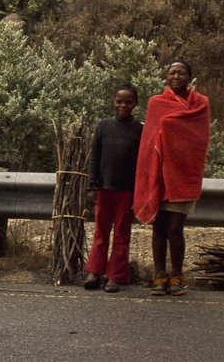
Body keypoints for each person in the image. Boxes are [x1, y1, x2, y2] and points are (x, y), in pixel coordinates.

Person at [134, 61, 211, 296]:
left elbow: (200, 139)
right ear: (166, 77)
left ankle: (177, 275)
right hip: (159, 174)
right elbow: (149, 141)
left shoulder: (201, 103)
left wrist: (172, 128)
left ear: (190, 77)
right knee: (159, 225)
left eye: (182, 73)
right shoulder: (156, 103)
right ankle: (159, 275)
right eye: (172, 73)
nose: (176, 76)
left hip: (183, 174)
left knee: (176, 228)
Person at [83, 84, 144, 293]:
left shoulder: (140, 130)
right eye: (119, 101)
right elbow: (94, 158)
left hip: (127, 191)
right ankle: (95, 272)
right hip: (104, 188)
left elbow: (142, 163)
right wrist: (92, 185)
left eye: (128, 102)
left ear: (135, 103)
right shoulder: (103, 126)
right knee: (100, 231)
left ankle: (115, 276)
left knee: (121, 233)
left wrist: (140, 191)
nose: (123, 105)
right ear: (113, 101)